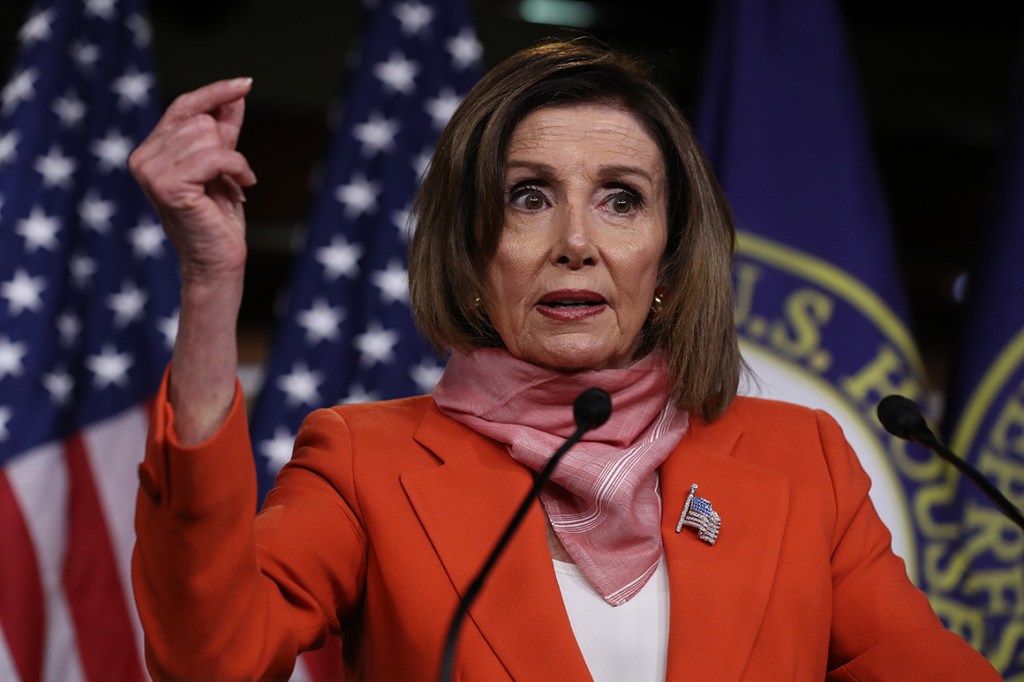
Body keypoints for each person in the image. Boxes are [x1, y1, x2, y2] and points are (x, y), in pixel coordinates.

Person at [129, 39, 1001, 681]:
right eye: (529, 197)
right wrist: (211, 282)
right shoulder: (367, 462)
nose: (575, 242)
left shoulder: (799, 460)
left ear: (668, 255)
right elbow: (208, 658)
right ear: (471, 254)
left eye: (620, 199)